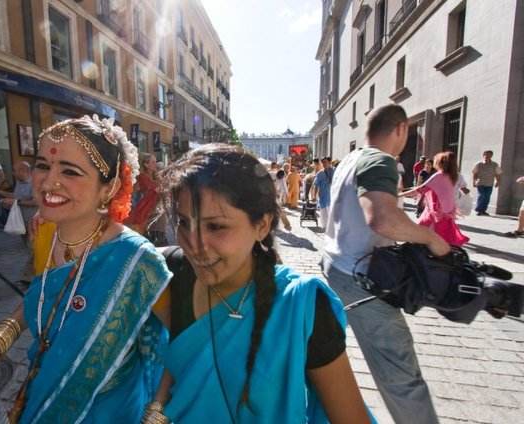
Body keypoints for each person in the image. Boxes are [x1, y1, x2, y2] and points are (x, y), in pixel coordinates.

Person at [0, 116, 172, 423]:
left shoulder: (138, 261)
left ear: (109, 187)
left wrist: (155, 416)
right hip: (41, 392)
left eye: (70, 171)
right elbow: (40, 301)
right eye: (42, 165)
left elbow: (177, 347)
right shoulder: (46, 235)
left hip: (113, 411)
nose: (48, 182)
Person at [146, 144, 371, 423]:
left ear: (262, 226)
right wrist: (156, 407)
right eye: (183, 222)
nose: (194, 245)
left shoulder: (302, 308)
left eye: (216, 226)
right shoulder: (167, 273)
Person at [322, 104, 450, 424]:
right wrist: (430, 239)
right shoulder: (380, 160)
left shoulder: (350, 159)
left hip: (336, 264)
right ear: (400, 129)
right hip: (361, 276)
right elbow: (382, 219)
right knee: (401, 374)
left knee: (327, 352)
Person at [400, 151, 469, 246]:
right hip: (448, 211)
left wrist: (399, 194)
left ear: (441, 163)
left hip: (436, 212)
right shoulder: (456, 175)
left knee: (423, 237)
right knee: (444, 239)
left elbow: (419, 190)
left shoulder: (439, 175)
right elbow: (464, 189)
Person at [125, 152, 160, 235]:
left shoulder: (156, 176)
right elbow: (151, 190)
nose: (156, 165)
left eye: (156, 162)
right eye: (153, 162)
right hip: (145, 210)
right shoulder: (142, 177)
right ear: (146, 165)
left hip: (156, 209)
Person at [471, 150, 502, 216]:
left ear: (491, 156)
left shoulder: (494, 165)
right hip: (480, 183)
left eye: (489, 155)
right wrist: (474, 182)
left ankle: (483, 210)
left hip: (489, 183)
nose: (487, 156)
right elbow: (474, 173)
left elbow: (497, 174)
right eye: (486, 155)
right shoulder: (479, 164)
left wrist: (498, 182)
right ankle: (479, 210)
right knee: (482, 195)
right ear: (483, 155)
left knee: (487, 197)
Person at [311, 156, 335, 229]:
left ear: (329, 162)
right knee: (323, 215)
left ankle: (332, 229)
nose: (324, 164)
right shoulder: (320, 173)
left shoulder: (335, 171)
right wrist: (314, 196)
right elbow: (316, 185)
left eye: (325, 162)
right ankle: (326, 229)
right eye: (322, 162)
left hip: (332, 197)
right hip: (322, 197)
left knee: (332, 215)